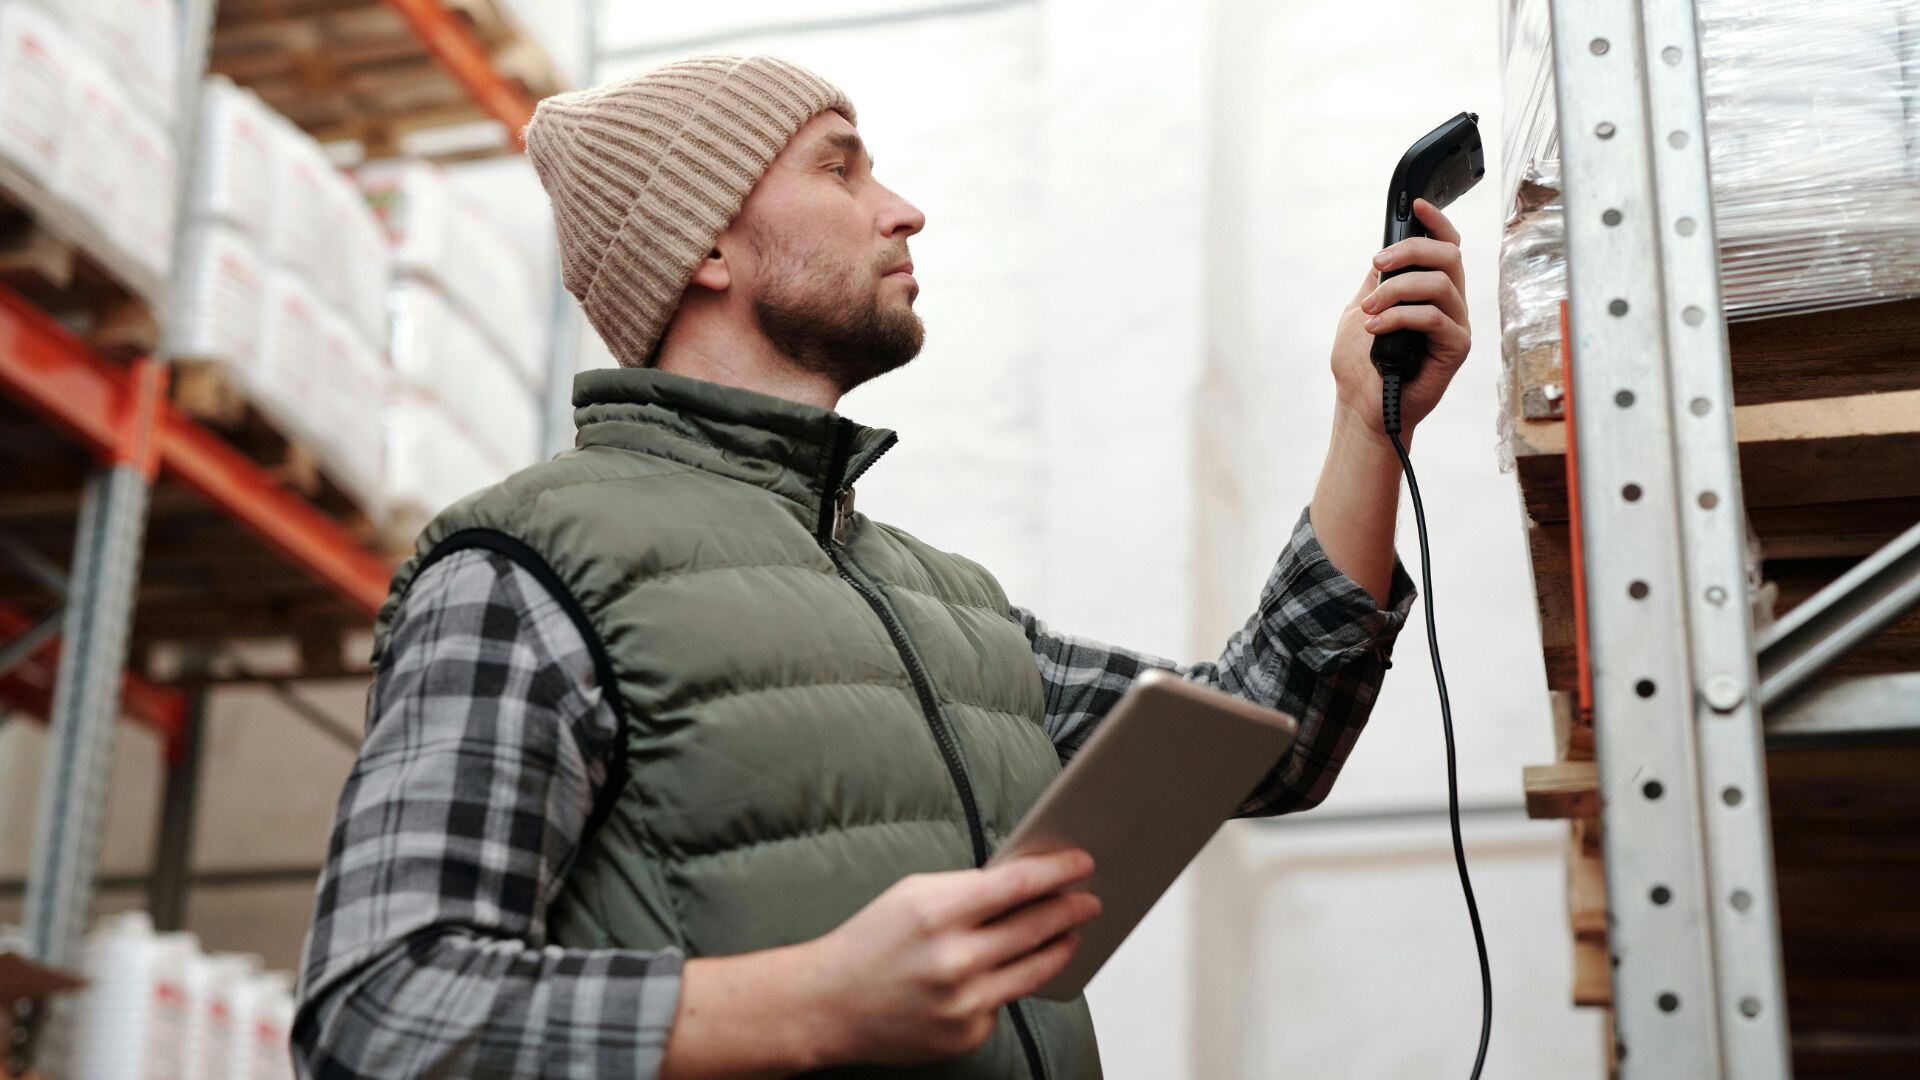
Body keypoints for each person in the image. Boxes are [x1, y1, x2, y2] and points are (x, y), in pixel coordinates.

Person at [292, 52, 1471, 1080]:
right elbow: (380, 1013)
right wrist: (817, 1001)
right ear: (704, 245)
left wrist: (1368, 423)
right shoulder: (522, 571)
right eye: (841, 168)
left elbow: (1271, 736)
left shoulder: (944, 603)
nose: (902, 209)